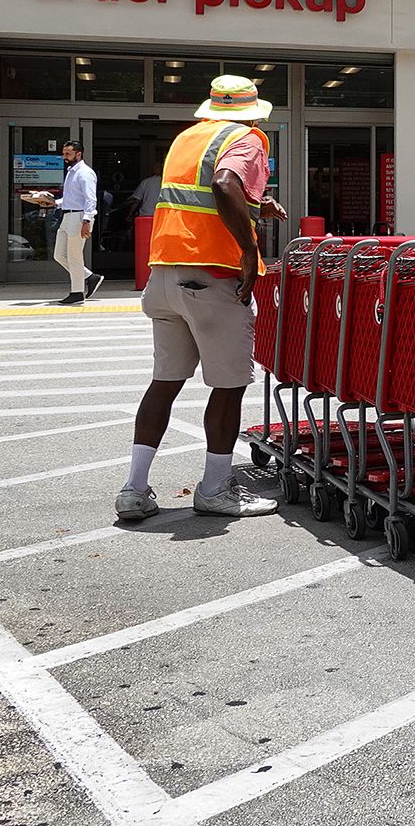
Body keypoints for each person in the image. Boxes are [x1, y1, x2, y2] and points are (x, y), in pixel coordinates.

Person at [116, 75, 289, 521]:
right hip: (212, 275)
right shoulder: (248, 138)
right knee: (229, 386)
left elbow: (201, 194)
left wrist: (257, 205)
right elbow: (224, 184)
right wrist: (250, 253)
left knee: (165, 382)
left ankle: (134, 489)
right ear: (253, 111)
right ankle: (215, 489)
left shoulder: (188, 138)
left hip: (165, 273)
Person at [49, 142, 101, 305]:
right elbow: (72, 198)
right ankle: (89, 277)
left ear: (78, 154)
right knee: (59, 255)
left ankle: (77, 292)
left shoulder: (85, 173)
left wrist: (87, 220)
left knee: (74, 257)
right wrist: (54, 203)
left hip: (79, 217)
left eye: (68, 154)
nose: (64, 157)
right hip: (68, 216)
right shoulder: (72, 172)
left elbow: (90, 199)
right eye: (63, 153)